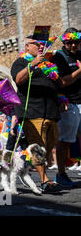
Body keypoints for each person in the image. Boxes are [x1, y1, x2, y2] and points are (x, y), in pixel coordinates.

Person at [10, 35, 63, 193]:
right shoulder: (21, 62)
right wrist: (32, 64)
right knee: (38, 147)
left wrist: (62, 99)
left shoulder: (49, 64)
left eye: (43, 44)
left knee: (48, 146)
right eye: (37, 44)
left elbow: (58, 84)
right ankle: (45, 181)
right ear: (27, 47)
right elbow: (18, 80)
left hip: (51, 112)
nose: (41, 46)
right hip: (32, 111)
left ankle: (22, 166)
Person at [52, 27, 81, 187]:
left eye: (76, 42)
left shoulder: (80, 54)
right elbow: (61, 82)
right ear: (65, 42)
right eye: (70, 42)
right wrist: (80, 71)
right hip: (69, 103)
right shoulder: (59, 57)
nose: (74, 45)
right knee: (65, 141)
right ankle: (61, 174)